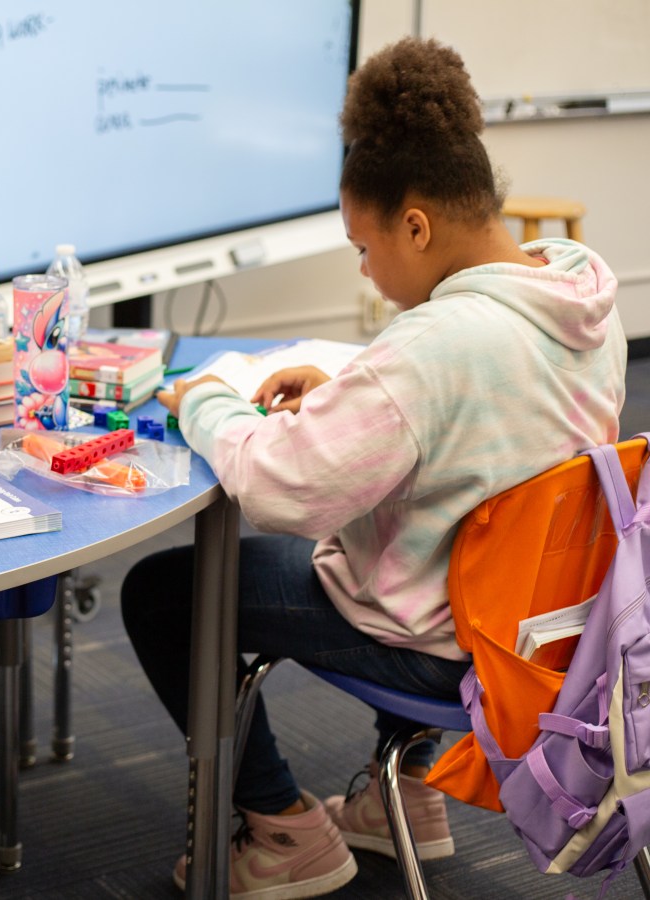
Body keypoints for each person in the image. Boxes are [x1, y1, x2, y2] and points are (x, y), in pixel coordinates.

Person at [122, 37, 626, 899]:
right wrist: (353, 394)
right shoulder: (581, 293)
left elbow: (278, 488)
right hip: (545, 630)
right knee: (428, 517)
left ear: (416, 224)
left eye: (363, 246)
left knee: (163, 592)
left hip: (444, 641)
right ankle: (414, 793)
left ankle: (283, 831)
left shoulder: (433, 346)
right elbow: (478, 432)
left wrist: (206, 400)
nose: (365, 266)